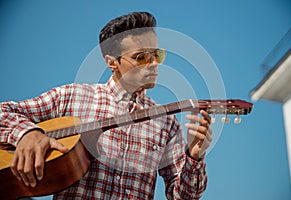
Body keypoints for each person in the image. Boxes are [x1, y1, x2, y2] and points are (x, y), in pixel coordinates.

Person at [0, 12, 212, 199]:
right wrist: (27, 133)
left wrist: (194, 157)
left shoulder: (168, 123)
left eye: (157, 54)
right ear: (112, 62)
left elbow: (184, 196)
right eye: (141, 57)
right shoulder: (71, 97)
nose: (154, 63)